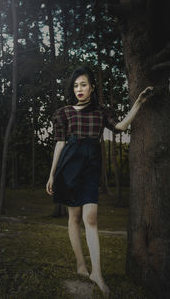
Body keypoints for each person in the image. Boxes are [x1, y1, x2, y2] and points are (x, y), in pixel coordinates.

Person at [46, 66, 153, 296]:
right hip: (69, 166)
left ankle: (97, 273)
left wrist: (138, 103)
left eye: (83, 84)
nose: (79, 89)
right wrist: (52, 173)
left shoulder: (101, 112)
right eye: (75, 86)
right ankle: (81, 265)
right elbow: (60, 144)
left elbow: (121, 126)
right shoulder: (63, 113)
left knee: (91, 218)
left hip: (91, 167)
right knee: (74, 218)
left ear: (92, 87)